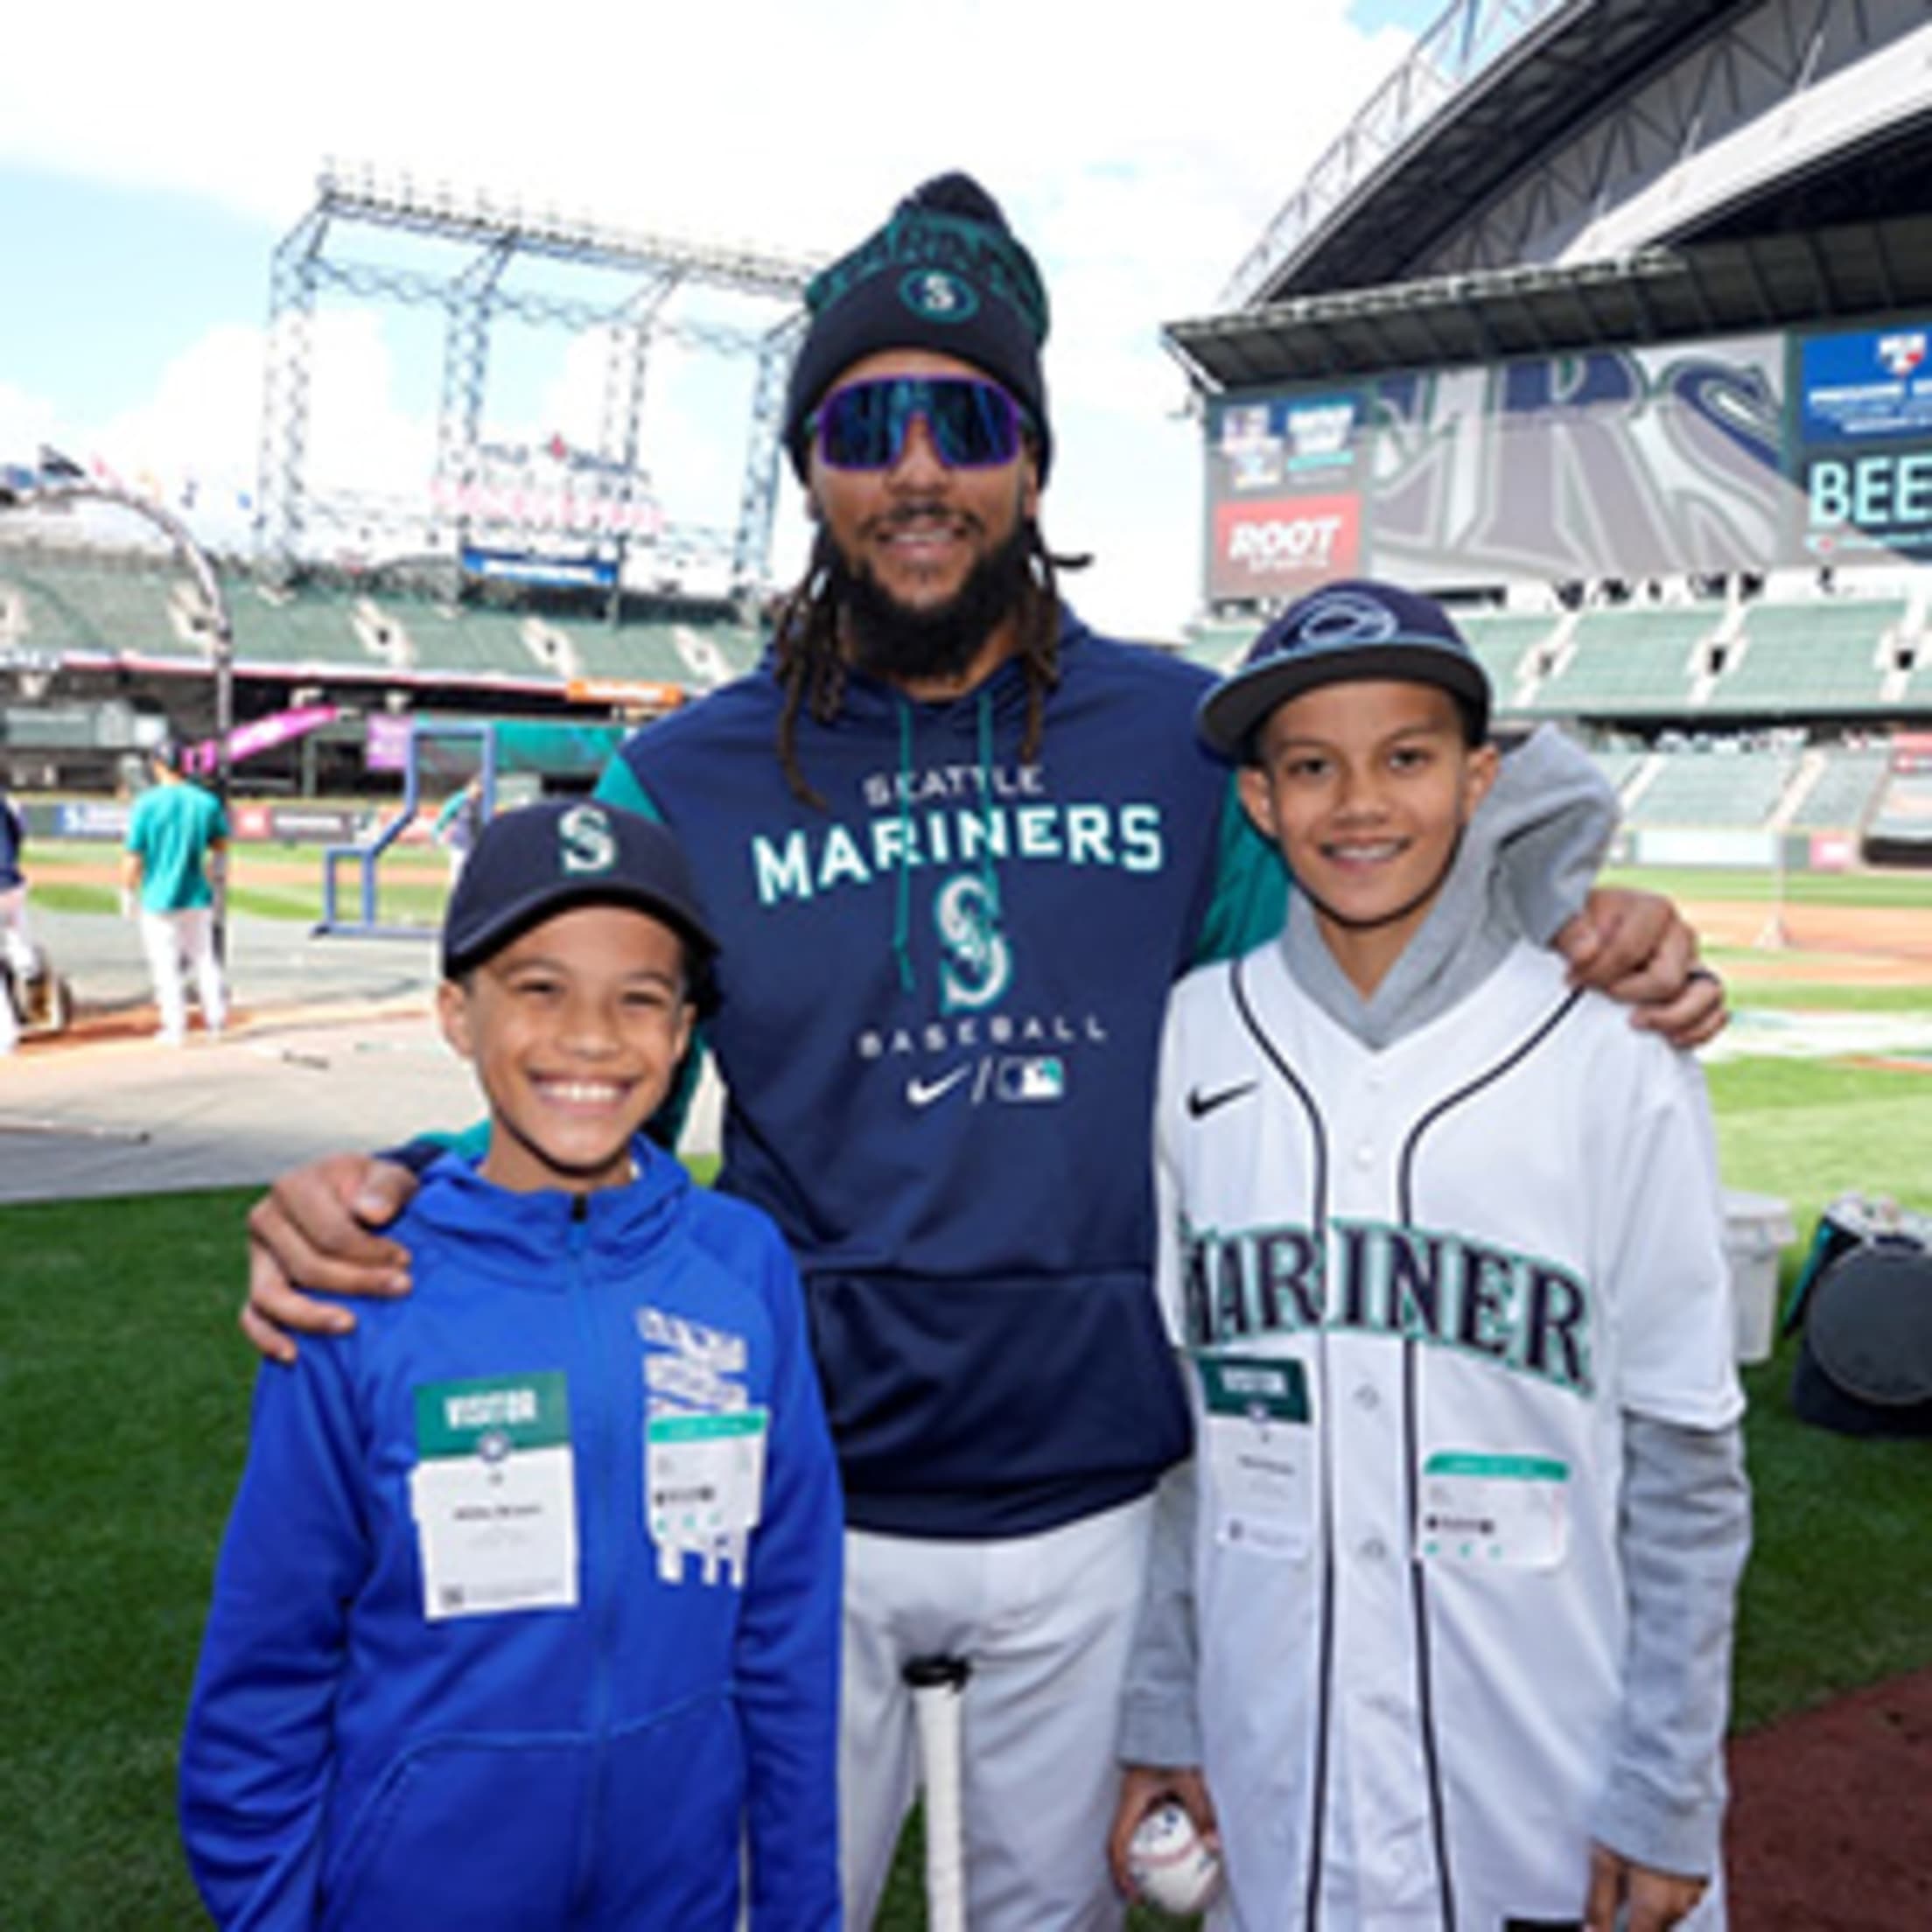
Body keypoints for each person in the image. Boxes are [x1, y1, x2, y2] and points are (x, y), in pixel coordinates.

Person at [239, 177, 1722, 1931]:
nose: (919, 470)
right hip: (787, 1505)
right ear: (809, 466)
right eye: (867, 426)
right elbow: (579, 1085)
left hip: (1097, 1508)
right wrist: (393, 1195)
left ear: (1033, 461)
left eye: (968, 420)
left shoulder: (1190, 740)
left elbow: (1360, 979)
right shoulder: (684, 774)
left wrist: (1572, 921)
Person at [1109, 581, 1749, 1931]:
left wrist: (1667, 1787)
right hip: (1279, 1771)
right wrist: (1166, 1706)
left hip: (1548, 1774)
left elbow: (1687, 1460)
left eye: (1405, 757)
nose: (1359, 804)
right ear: (1259, 802)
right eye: (1311, 768)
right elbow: (1185, 1434)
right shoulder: (1196, 1040)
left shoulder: (1612, 1048)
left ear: (1478, 778)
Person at [179, 799, 843, 1930]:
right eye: (540, 989)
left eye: (639, 999)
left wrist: (796, 1908)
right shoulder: (359, 1278)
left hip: (675, 1894)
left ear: (683, 1032)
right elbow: (268, 1659)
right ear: (457, 1013)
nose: (591, 1038)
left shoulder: (741, 1268)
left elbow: (786, 1633)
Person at [122, 738, 228, 1045]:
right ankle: (216, 1020)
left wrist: (128, 891)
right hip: (196, 893)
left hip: (158, 896)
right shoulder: (206, 802)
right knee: (204, 958)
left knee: (165, 965)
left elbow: (134, 855)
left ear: (158, 766)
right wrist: (212, 871)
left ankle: (175, 1027)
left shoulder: (146, 804)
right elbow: (220, 845)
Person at [0, 783, 32, 1054]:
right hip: (13, 884)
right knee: (17, 942)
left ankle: (5, 1036)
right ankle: (28, 966)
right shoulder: (5, 800)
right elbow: (19, 834)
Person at [433, 774, 486, 885]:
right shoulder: (460, 800)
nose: (480, 789)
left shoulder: (484, 802)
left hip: (478, 846)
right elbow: (443, 817)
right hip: (460, 845)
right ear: (471, 786)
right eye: (478, 786)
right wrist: (436, 835)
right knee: (457, 879)